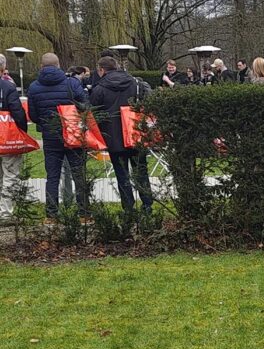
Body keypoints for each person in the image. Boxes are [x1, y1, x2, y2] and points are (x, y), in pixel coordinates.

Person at [27, 53, 91, 223]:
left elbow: (33, 116)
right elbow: (85, 104)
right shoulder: (71, 83)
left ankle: (51, 215)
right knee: (79, 173)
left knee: (53, 176)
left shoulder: (33, 87)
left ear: (41, 66)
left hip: (50, 136)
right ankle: (84, 213)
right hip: (73, 134)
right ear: (58, 65)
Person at [90, 56, 154, 214]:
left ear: (102, 70)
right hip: (135, 133)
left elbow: (94, 113)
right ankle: (147, 205)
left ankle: (128, 207)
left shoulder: (99, 88)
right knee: (141, 171)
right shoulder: (135, 83)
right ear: (117, 66)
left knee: (122, 174)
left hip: (113, 138)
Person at [0, 53, 29, 224]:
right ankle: (5, 213)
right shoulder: (8, 87)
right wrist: (22, 132)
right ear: (3, 68)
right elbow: (18, 113)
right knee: (10, 174)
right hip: (7, 138)